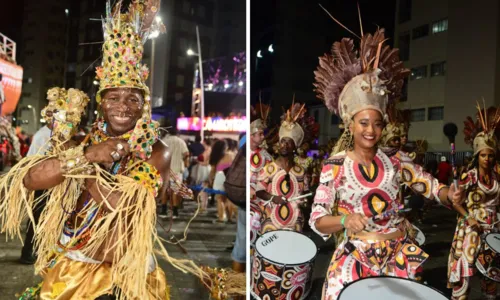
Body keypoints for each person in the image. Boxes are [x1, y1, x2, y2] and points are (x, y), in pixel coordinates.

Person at [3, 2, 244, 299]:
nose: (122, 106)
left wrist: (86, 168)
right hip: (74, 263)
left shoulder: (158, 150)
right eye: (114, 97)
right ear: (101, 103)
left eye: (132, 99)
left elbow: (123, 205)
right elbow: (31, 180)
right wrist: (90, 154)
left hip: (127, 272)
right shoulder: (84, 143)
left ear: (143, 105)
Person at [310, 27, 464, 300]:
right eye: (364, 123)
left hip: (399, 258)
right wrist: (345, 219)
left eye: (377, 123)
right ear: (350, 124)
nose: (371, 130)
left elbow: (429, 186)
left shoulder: (396, 158)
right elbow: (319, 220)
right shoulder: (334, 165)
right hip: (353, 259)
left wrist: (448, 194)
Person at [447, 105, 500, 300]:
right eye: (484, 155)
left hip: (494, 228)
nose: (487, 158)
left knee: (492, 272)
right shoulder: (469, 176)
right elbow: (456, 203)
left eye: (490, 155)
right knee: (465, 271)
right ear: (478, 155)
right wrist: (468, 217)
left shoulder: (497, 176)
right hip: (472, 228)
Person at [254, 103, 309, 234]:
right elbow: (259, 191)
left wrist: (304, 201)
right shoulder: (269, 168)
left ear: (295, 146)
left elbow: (306, 194)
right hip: (271, 224)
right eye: (282, 141)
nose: (284, 145)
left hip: (294, 224)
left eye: (288, 142)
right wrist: (274, 198)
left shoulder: (301, 172)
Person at [19, 102, 54, 264]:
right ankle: (28, 252)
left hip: (54, 184)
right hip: (42, 184)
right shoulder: (42, 135)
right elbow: (30, 161)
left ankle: (41, 251)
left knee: (48, 219)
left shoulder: (58, 134)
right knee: (37, 218)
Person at [161, 125, 189, 219]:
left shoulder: (164, 141)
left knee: (164, 190)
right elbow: (186, 154)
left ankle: (163, 210)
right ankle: (175, 212)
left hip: (165, 170)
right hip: (177, 171)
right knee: (175, 191)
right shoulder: (181, 142)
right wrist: (183, 161)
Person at [209, 139, 236, 223]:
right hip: (230, 178)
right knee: (230, 199)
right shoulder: (232, 155)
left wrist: (211, 180)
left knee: (220, 199)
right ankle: (230, 218)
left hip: (219, 177)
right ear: (225, 147)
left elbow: (212, 171)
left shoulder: (216, 157)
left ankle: (221, 217)